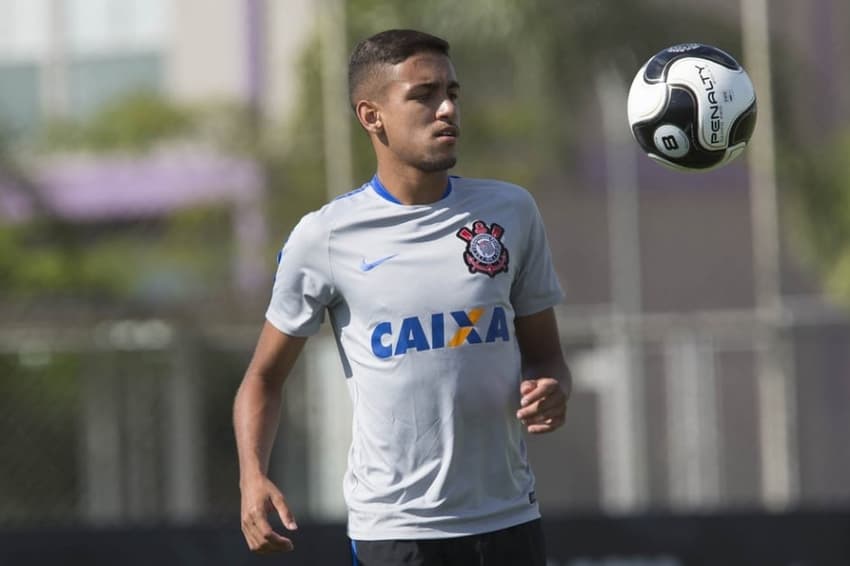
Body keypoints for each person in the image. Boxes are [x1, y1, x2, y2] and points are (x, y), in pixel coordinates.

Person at [233, 28, 571, 566]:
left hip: (509, 519)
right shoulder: (325, 236)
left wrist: (552, 387)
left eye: (452, 93)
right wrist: (253, 476)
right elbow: (262, 380)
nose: (446, 110)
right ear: (372, 116)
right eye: (423, 95)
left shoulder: (511, 212)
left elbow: (546, 356)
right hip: (398, 531)